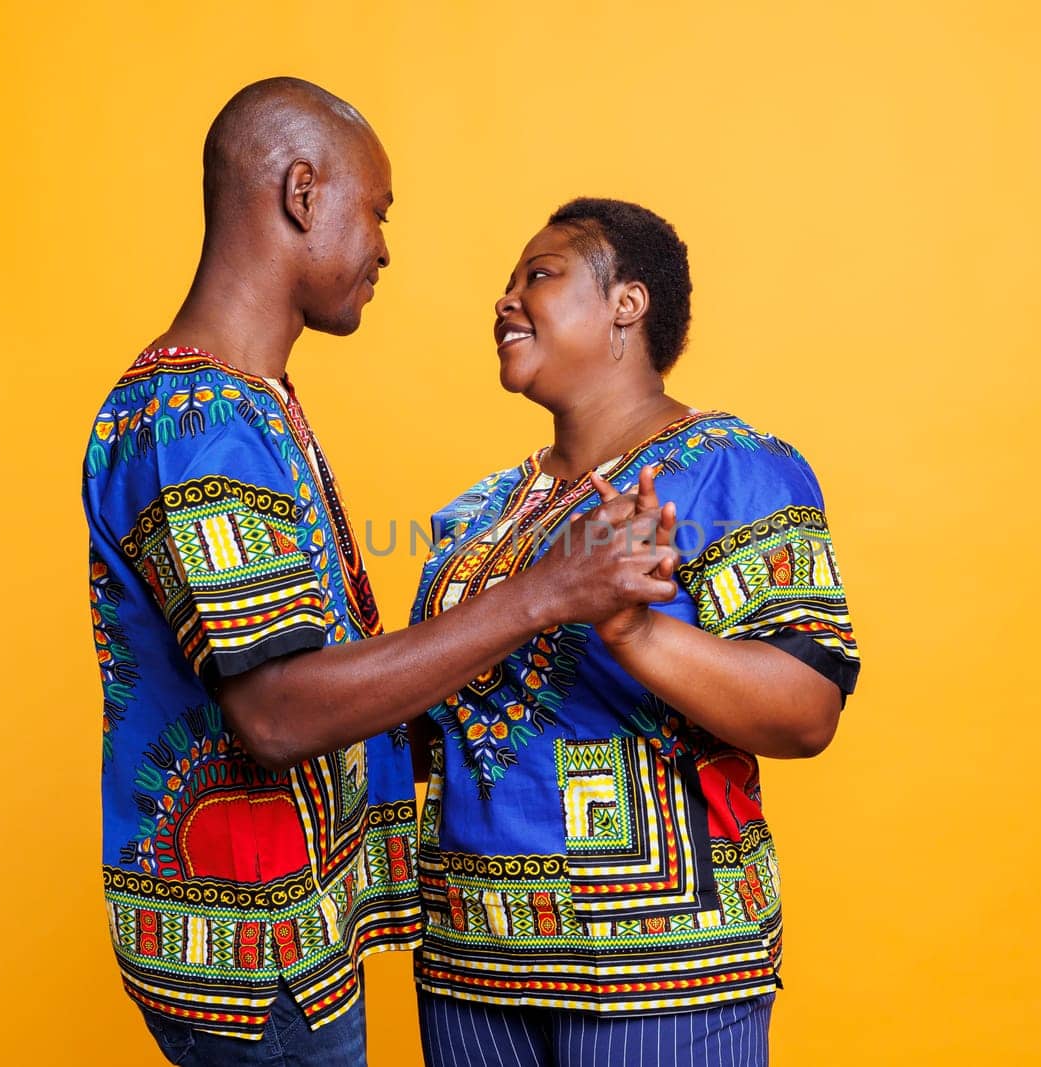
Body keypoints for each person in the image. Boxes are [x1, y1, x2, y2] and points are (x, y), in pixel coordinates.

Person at [82, 82, 679, 1067]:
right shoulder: (199, 422)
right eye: (378, 210)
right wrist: (544, 595)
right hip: (256, 965)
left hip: (294, 937)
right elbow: (274, 713)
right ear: (302, 193)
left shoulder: (246, 401)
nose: (385, 246)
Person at [410, 198, 862, 1066]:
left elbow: (807, 708)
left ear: (628, 304)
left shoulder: (733, 467)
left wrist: (632, 630)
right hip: (470, 966)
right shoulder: (479, 512)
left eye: (538, 275)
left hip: (665, 973)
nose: (505, 300)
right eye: (505, 284)